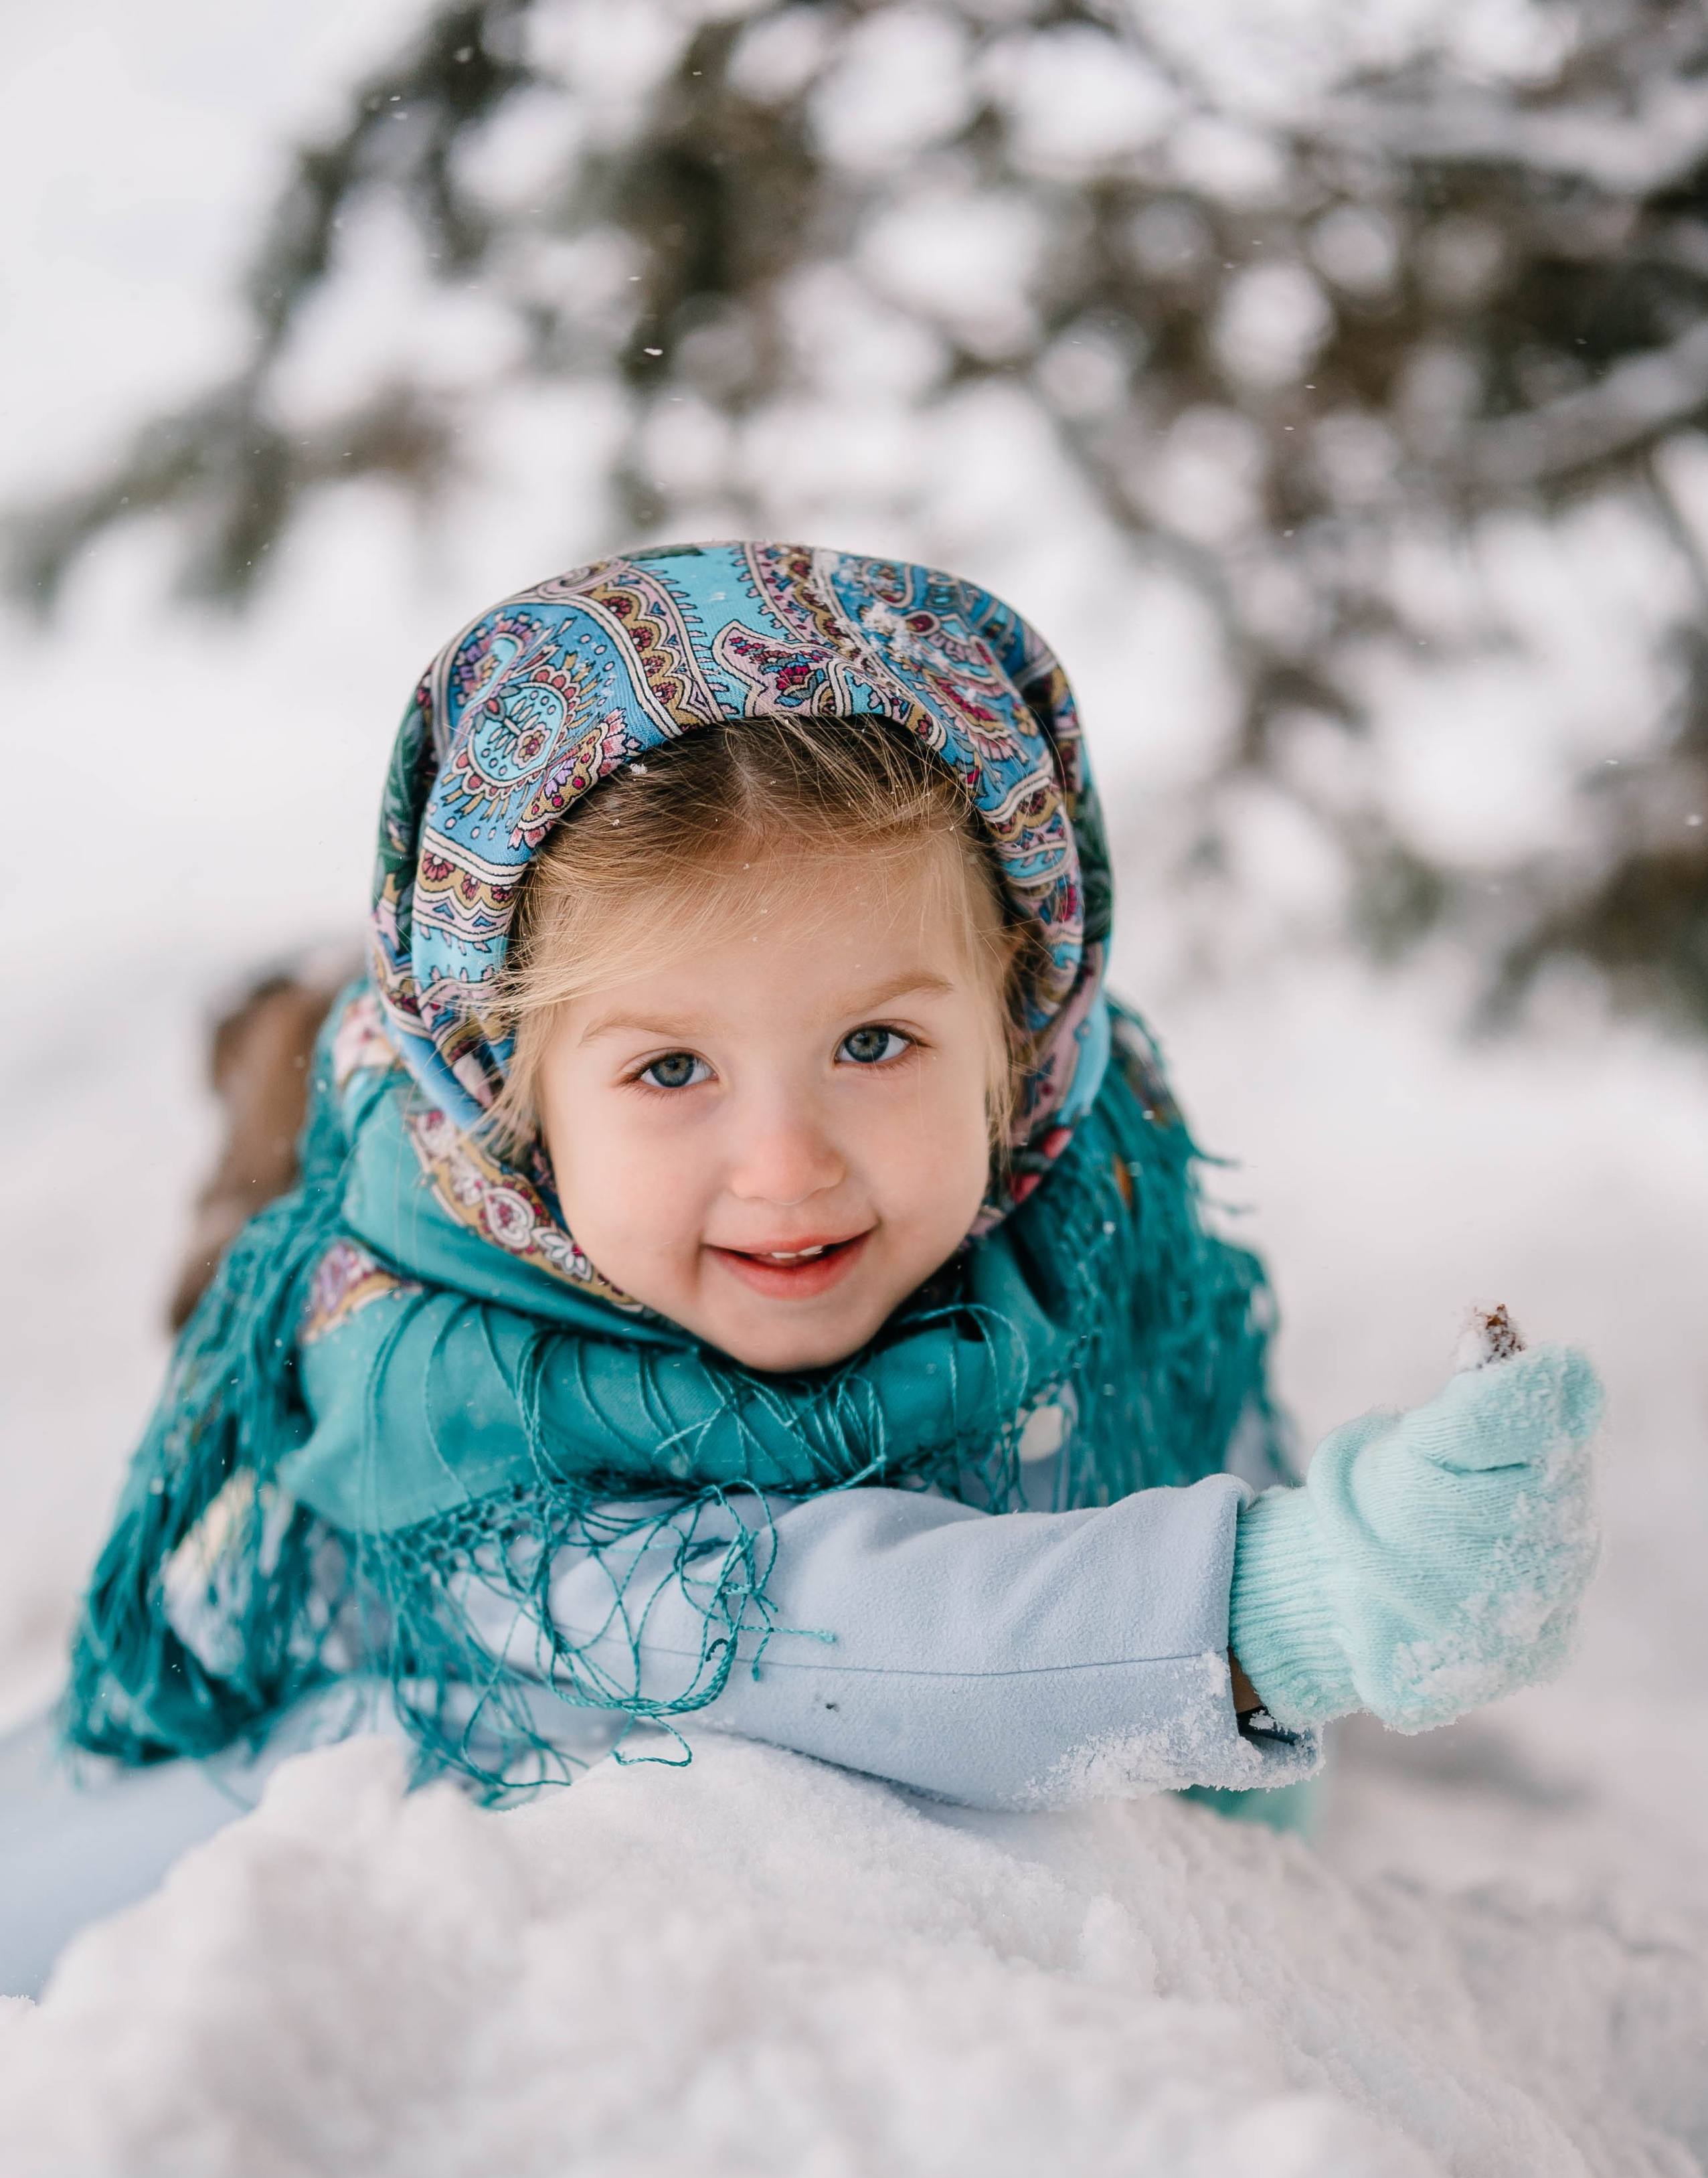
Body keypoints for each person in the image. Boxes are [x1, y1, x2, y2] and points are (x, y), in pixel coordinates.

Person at [1, 545, 1601, 1995]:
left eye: (873, 1041)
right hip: (417, 1738)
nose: (789, 1168)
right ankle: (280, 1074)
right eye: (671, 1070)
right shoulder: (461, 1409)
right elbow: (822, 1625)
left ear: (1020, 1030)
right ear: (505, 1094)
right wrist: (1284, 1605)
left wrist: (1290, 1730)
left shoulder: (1084, 1181)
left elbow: (1180, 1430)